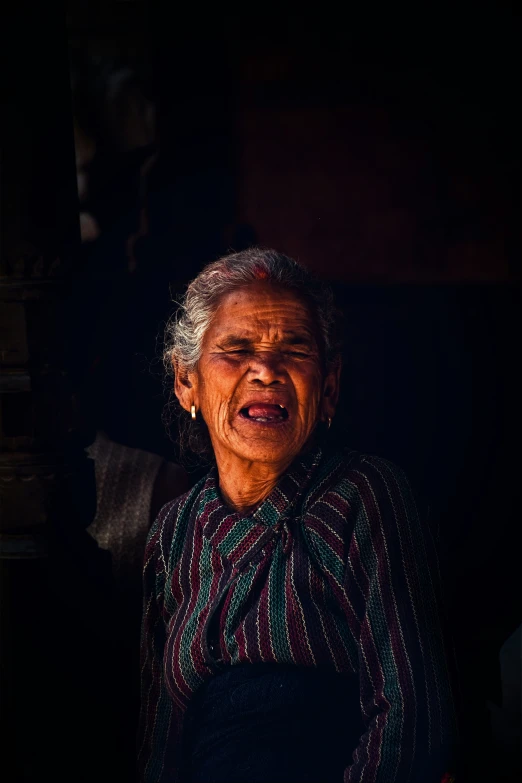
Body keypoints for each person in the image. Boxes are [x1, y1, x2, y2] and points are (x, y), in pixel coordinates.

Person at [138, 248, 459, 783]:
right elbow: (159, 738)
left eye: (295, 349)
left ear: (328, 387)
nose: (265, 370)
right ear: (186, 382)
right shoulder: (173, 533)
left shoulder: (364, 496)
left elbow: (413, 721)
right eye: (236, 349)